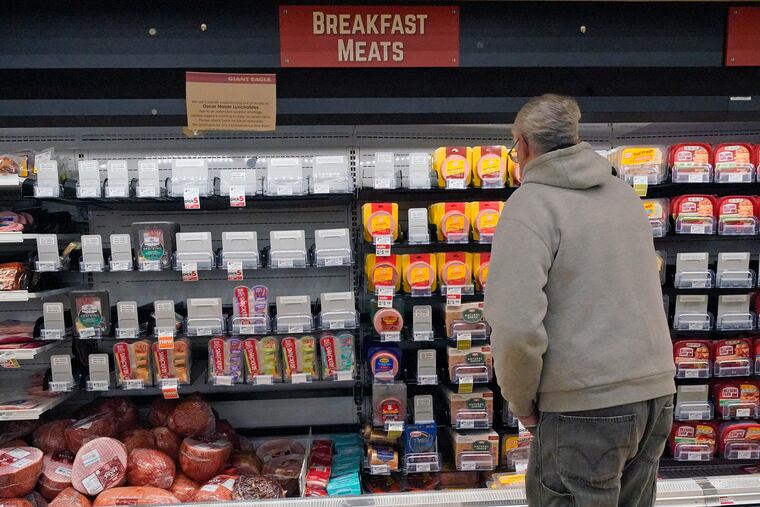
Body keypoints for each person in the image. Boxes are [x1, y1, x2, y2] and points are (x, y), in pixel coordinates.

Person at [484, 94, 676, 507]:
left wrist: (522, 402)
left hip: (584, 407)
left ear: (524, 144)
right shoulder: (624, 196)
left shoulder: (530, 205)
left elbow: (516, 325)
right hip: (655, 395)